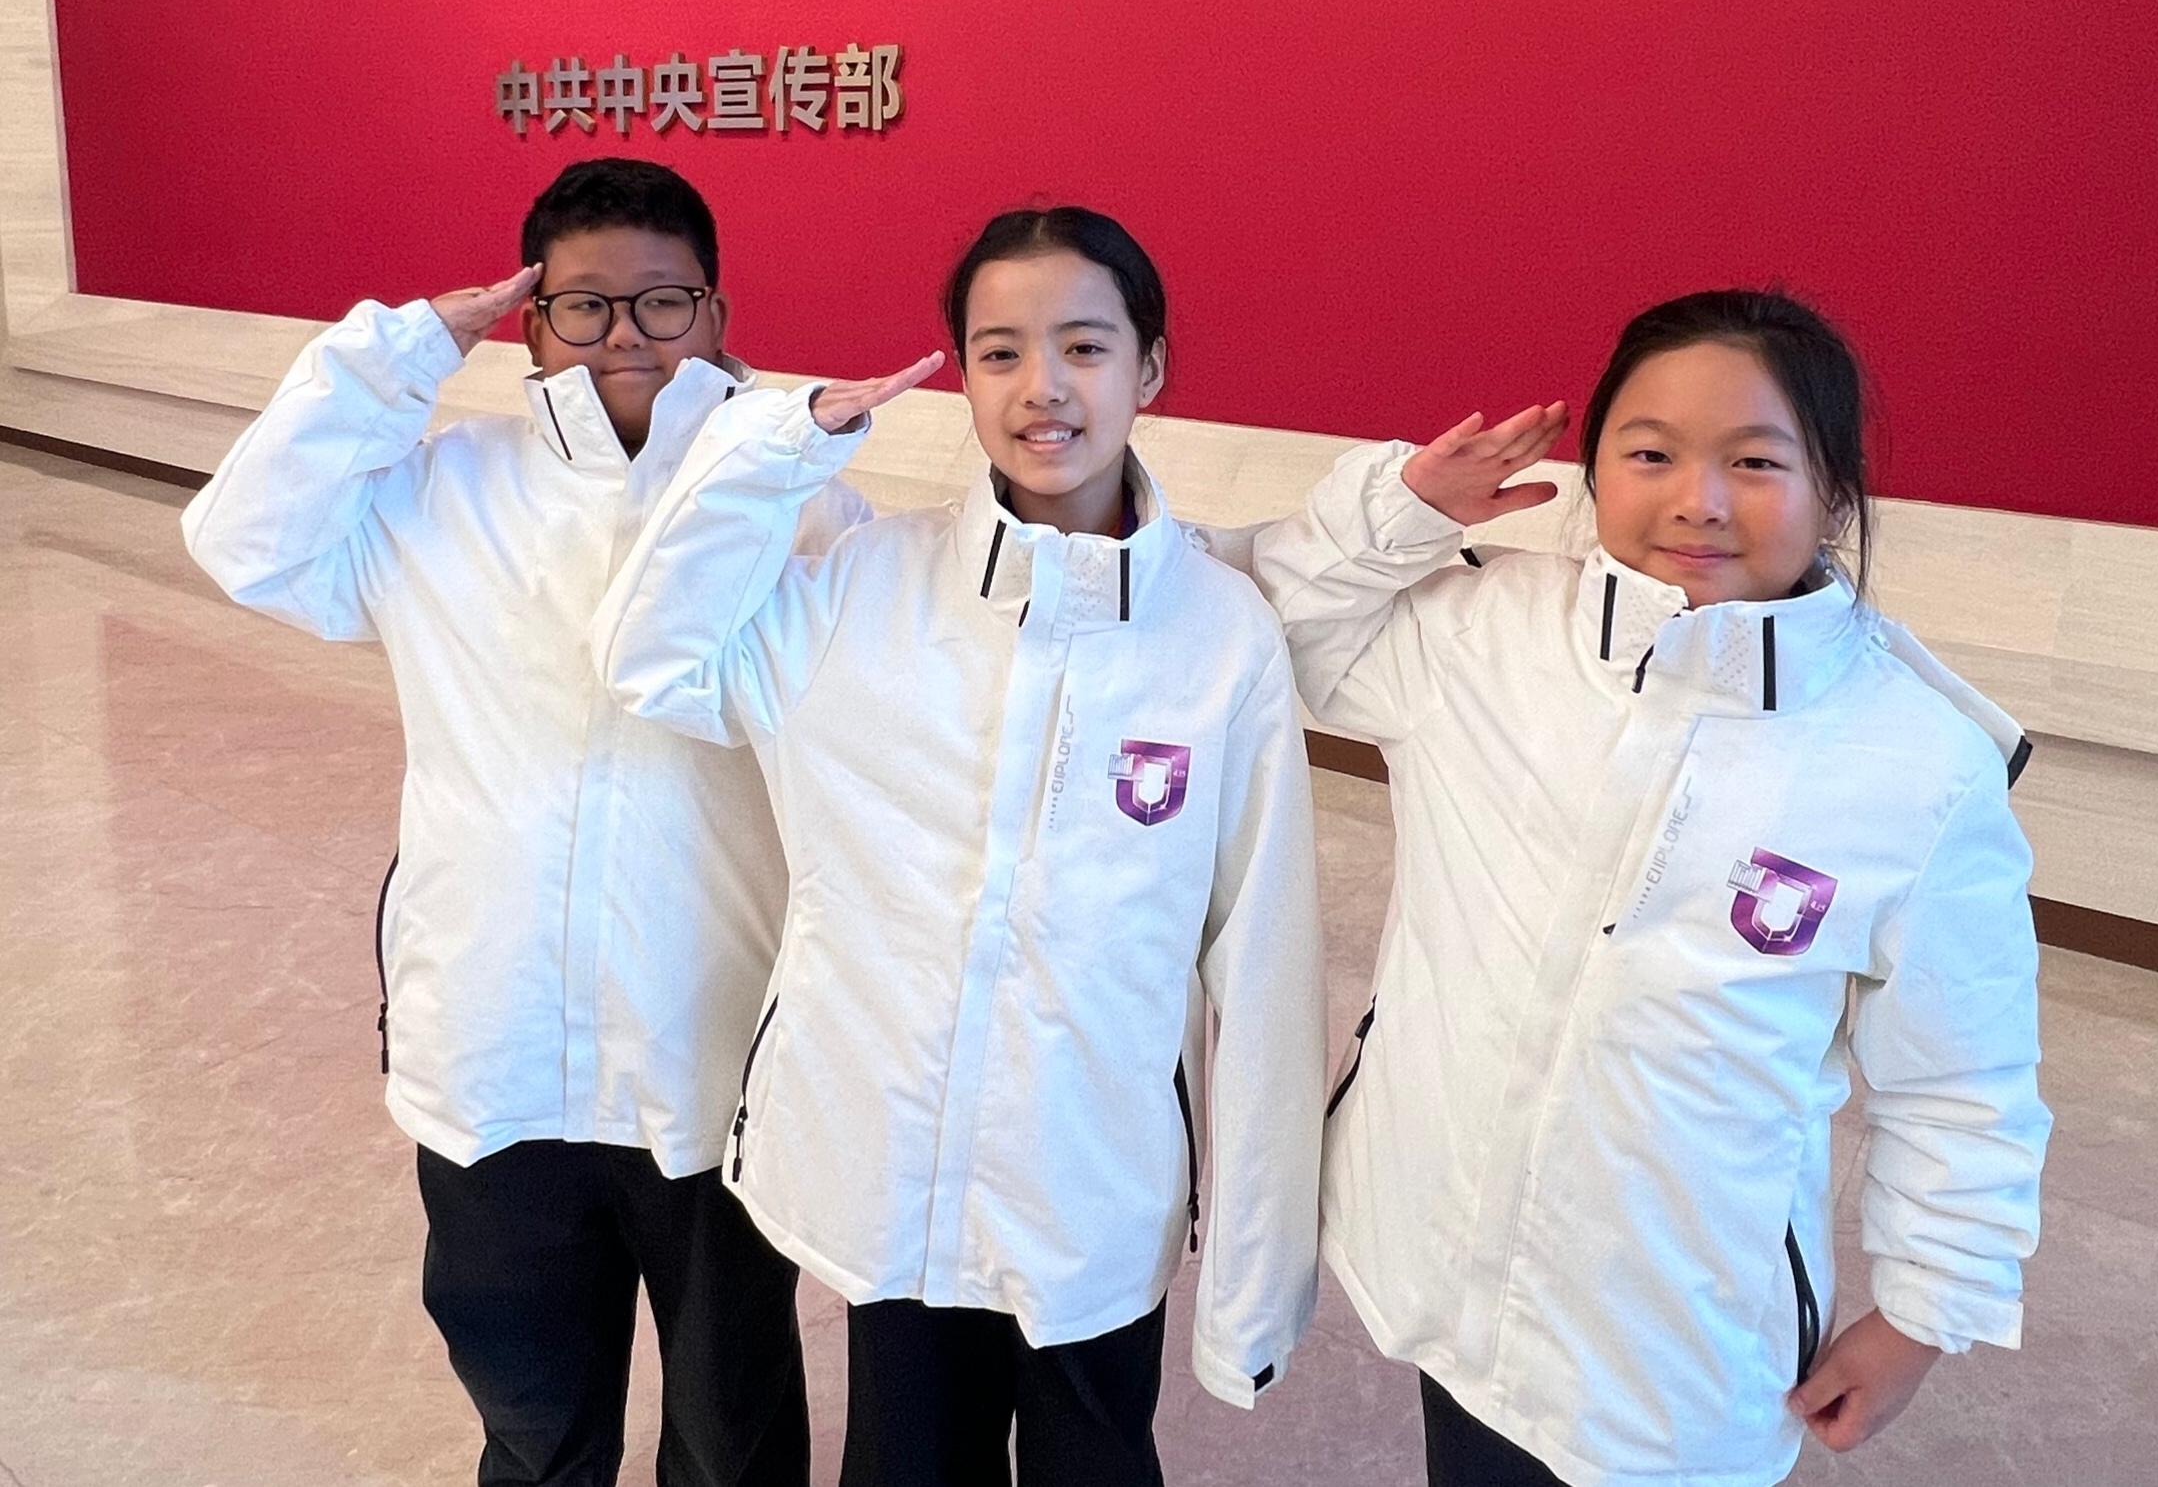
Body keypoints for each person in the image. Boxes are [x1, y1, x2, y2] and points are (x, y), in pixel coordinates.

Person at [1248, 289, 2050, 1487]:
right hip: (1441, 1239)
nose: (1699, 498)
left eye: (1755, 459)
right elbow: (1281, 626)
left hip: (1674, 1334)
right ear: (1594, 467)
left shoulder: (1917, 766)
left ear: (1835, 491)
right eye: (1651, 452)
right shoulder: (1485, 632)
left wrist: (1926, 1310)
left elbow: (1965, 1079)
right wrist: (1399, 512)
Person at [591, 205, 1327, 1487]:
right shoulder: (864, 586)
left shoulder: (1217, 634)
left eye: (1085, 346)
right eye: (999, 351)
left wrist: (1257, 1279)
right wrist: (775, 450)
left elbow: (1263, 965)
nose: (1043, 388)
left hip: (1095, 1188)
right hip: (898, 1177)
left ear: (1148, 367)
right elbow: (651, 658)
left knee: (1097, 1462)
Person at [182, 158, 876, 1487]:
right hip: (494, 1044)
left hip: (710, 1049)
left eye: (663, 302)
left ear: (718, 318)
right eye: (582, 306)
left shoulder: (803, 508)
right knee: (530, 1417)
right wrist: (398, 351)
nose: (625, 336)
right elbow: (245, 542)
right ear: (526, 325)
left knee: (734, 1427)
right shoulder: (435, 491)